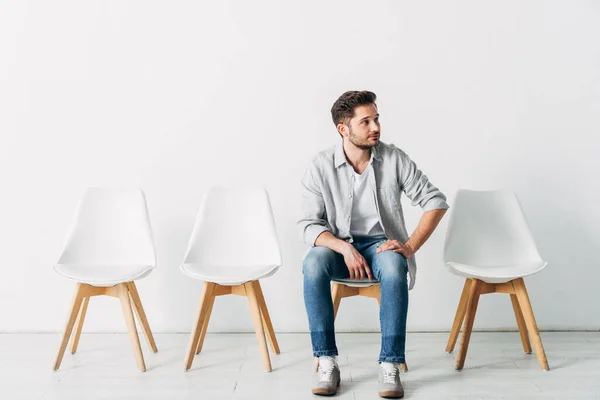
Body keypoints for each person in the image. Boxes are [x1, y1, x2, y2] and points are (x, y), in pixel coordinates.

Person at [298, 91, 449, 398]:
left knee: (395, 268)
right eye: (365, 121)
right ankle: (327, 360)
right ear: (344, 128)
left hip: (381, 246)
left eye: (376, 118)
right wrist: (344, 247)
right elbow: (309, 225)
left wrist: (408, 247)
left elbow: (436, 201)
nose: (375, 126)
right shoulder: (320, 166)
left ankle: (390, 365)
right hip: (339, 249)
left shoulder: (394, 158)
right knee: (313, 262)